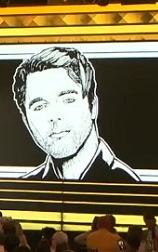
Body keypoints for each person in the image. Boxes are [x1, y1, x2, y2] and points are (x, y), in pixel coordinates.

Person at [12, 46, 140, 182]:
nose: (54, 116)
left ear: (93, 106)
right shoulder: (23, 188)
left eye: (68, 100)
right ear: (25, 120)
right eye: (40, 106)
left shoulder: (130, 186)